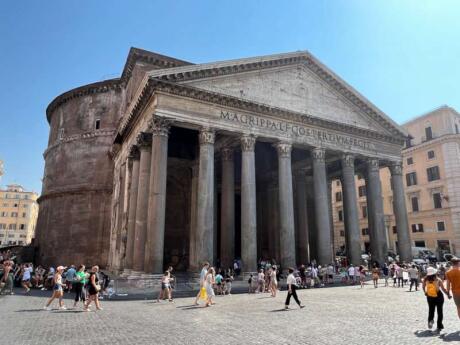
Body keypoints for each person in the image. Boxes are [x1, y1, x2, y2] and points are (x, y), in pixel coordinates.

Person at [422, 267, 449, 334]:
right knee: (440, 311)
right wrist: (448, 294)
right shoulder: (438, 279)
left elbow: (423, 287)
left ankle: (430, 321)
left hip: (430, 296)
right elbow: (443, 289)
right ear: (434, 273)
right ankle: (439, 326)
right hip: (439, 296)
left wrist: (425, 292)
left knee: (431, 310)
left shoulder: (425, 279)